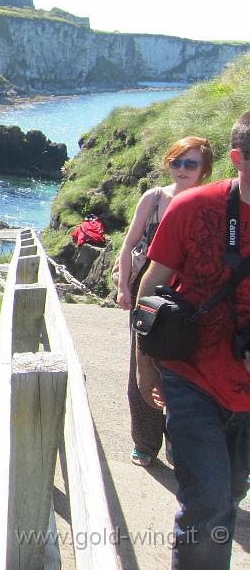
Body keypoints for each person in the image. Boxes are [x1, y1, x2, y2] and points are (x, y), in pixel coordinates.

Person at [135, 112, 250, 569]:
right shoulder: (193, 209)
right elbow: (150, 287)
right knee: (207, 508)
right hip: (193, 380)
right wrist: (146, 366)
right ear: (239, 159)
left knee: (227, 497)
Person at [116, 137, 214, 467]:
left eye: (191, 164)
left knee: (184, 369)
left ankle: (176, 440)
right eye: (176, 162)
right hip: (150, 290)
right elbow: (129, 244)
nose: (182, 169)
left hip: (189, 295)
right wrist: (124, 289)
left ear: (205, 169)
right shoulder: (154, 198)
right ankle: (145, 441)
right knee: (142, 365)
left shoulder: (210, 203)